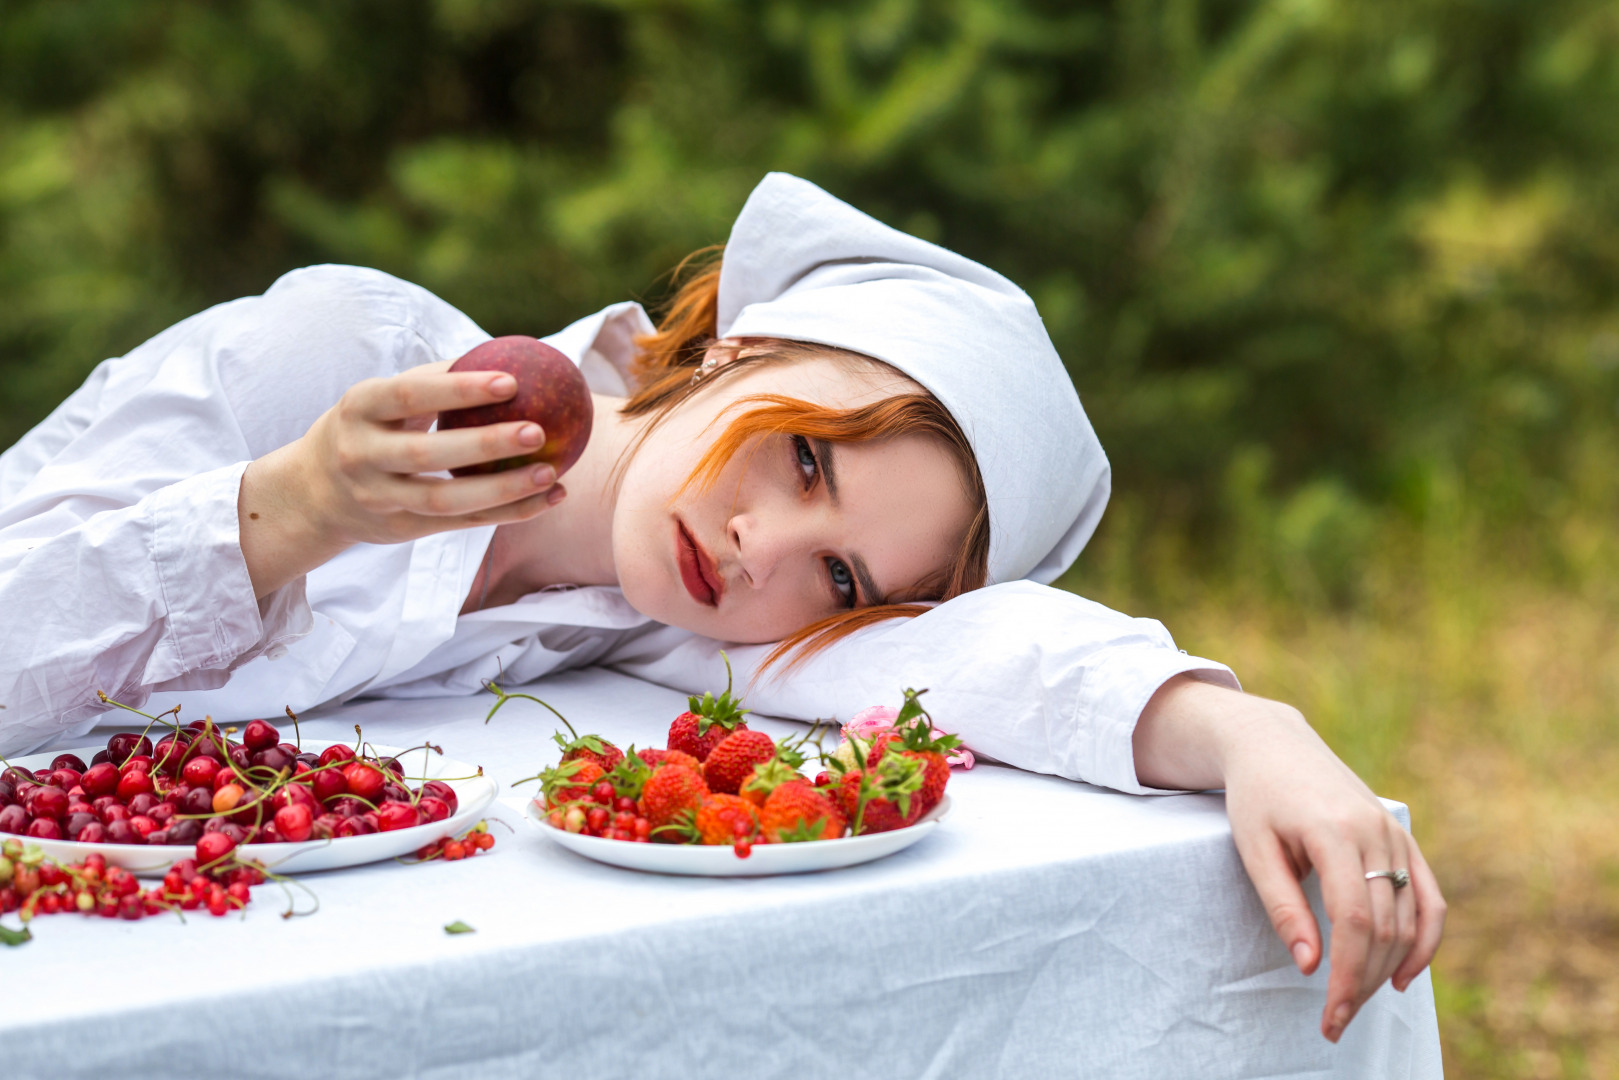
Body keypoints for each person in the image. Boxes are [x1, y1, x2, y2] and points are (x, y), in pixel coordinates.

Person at [0, 173, 1441, 1041]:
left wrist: (1257, 737)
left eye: (840, 578)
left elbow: (994, 656)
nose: (762, 550)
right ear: (739, 344)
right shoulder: (343, 356)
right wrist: (289, 509)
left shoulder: (701, 631)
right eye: (803, 455)